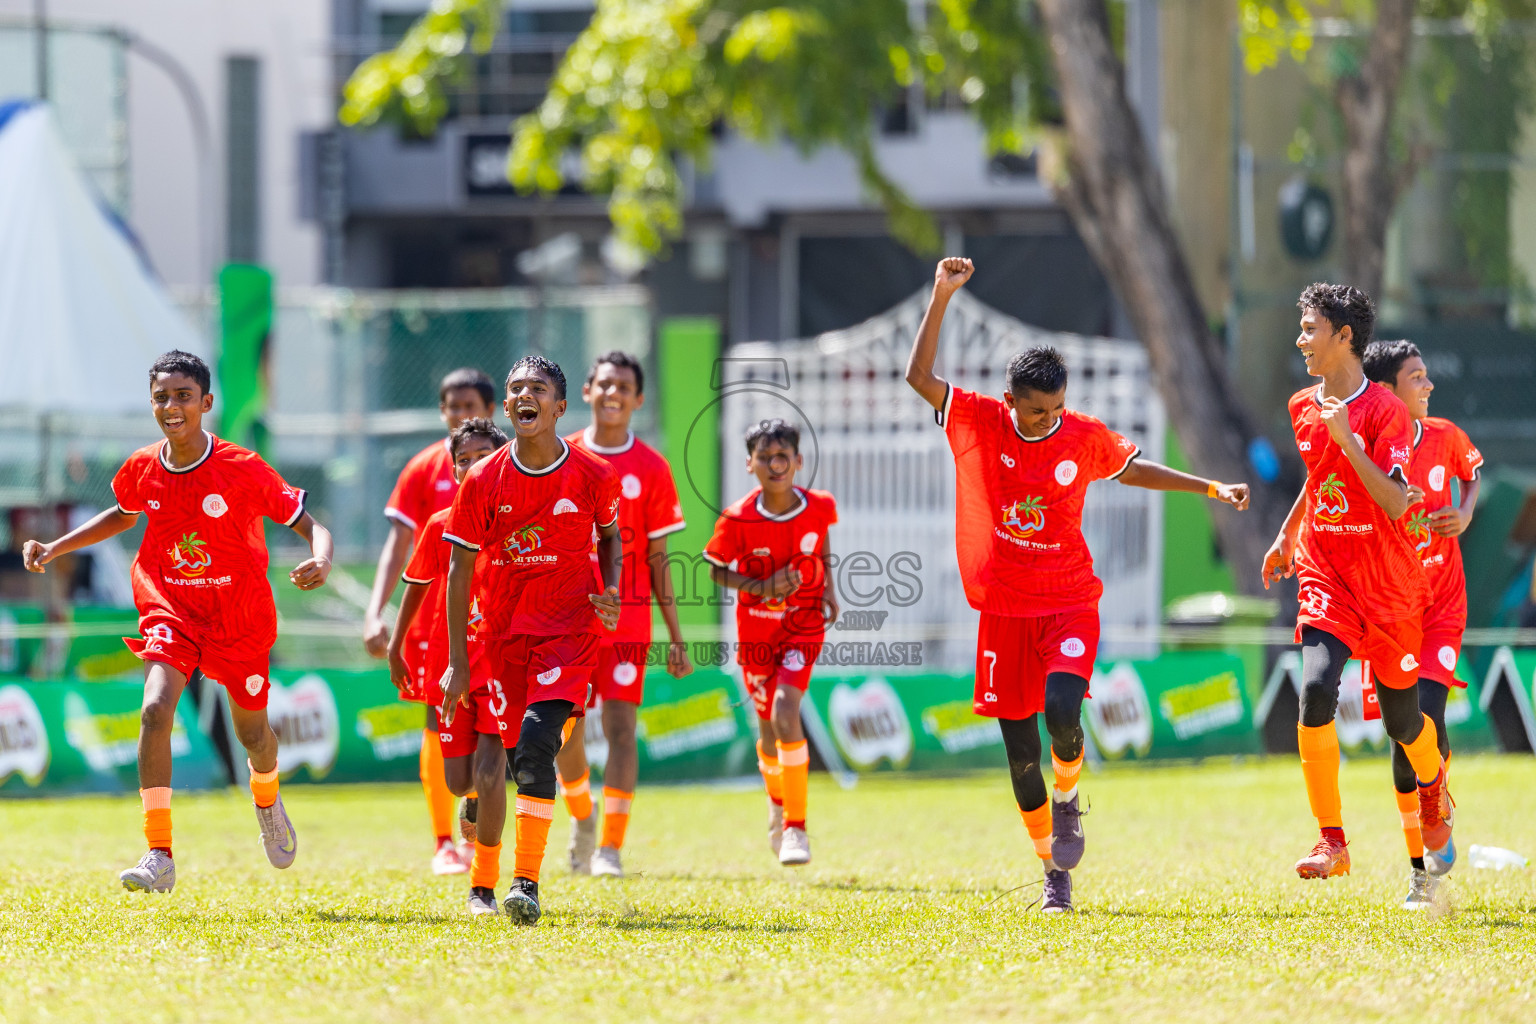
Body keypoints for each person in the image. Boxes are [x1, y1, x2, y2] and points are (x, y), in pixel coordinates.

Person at [905, 258, 1250, 913]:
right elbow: (918, 378)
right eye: (1036, 412)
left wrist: (1208, 486)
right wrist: (940, 295)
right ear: (1010, 402)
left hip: (1068, 603)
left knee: (1063, 711)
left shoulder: (1082, 437)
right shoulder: (979, 420)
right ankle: (1052, 874)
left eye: (1057, 407)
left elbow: (1134, 469)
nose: (1048, 420)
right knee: (1019, 756)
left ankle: (1069, 801)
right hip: (1005, 611)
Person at [21, 350, 334, 894]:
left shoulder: (241, 467)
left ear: (206, 403)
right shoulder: (144, 466)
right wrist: (55, 546)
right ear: (151, 404)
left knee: (254, 735)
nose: (172, 406)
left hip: (239, 616)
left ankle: (266, 797)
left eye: (183, 396)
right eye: (161, 397)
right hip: (171, 607)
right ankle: (158, 853)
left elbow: (310, 524)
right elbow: (122, 511)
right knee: (153, 710)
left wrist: (323, 558)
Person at [1263, 285, 1453, 883]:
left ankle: (1435, 785)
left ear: (1345, 336)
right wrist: (1287, 533)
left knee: (1402, 723)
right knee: (1315, 690)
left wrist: (1348, 438)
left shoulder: (1385, 412)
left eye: (1311, 328)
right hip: (1327, 576)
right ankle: (1332, 840)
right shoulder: (1300, 405)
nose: (1301, 338)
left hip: (1389, 586)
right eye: (1301, 326)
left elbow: (1397, 502)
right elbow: (1318, 480)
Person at [440, 355, 623, 926]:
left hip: (570, 629)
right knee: (498, 763)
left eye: (537, 389)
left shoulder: (594, 475)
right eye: (516, 388)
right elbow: (458, 572)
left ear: (560, 407)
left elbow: (611, 539)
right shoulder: (484, 480)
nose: (524, 395)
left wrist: (612, 589)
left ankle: (526, 883)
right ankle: (482, 882)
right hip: (503, 635)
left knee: (539, 742)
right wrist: (458, 665)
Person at [554, 352, 693, 878]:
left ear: (638, 399)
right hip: (565, 618)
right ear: (587, 391)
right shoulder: (560, 456)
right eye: (604, 383)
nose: (613, 393)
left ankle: (609, 847)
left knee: (620, 728)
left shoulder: (653, 468)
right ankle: (582, 817)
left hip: (629, 621)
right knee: (564, 730)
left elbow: (658, 560)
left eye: (624, 386)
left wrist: (677, 638)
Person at [363, 367, 496, 875]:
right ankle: (445, 842)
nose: (461, 415)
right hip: (435, 623)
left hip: (498, 624)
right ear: (442, 412)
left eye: (471, 406)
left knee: (498, 726)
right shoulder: (424, 468)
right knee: (435, 719)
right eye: (452, 407)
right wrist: (378, 613)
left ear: (490, 412)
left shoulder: (513, 468)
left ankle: (485, 817)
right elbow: (400, 544)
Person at [1363, 339, 1481, 908]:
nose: (1429, 385)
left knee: (1427, 714)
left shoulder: (1446, 436)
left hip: (1442, 608)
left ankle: (1435, 824)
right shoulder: (1367, 449)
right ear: (1387, 391)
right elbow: (1324, 493)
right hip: (1393, 610)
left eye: (1428, 375)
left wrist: (1464, 510)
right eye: (1417, 378)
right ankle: (1418, 866)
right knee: (1402, 729)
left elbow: (1472, 474)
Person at [387, 418, 513, 915]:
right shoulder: (439, 525)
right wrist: (397, 645)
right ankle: (476, 802)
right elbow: (415, 586)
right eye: (463, 458)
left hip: (501, 665)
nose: (472, 465)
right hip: (449, 665)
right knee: (459, 779)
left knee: (488, 769)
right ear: (453, 465)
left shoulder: (515, 521)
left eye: (483, 455)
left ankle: (482, 887)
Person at [703, 419, 839, 868]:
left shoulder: (819, 506)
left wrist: (830, 589)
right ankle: (778, 806)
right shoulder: (737, 516)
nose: (775, 464)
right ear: (750, 464)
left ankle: (797, 828)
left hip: (803, 626)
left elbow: (821, 547)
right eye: (765, 457)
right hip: (756, 631)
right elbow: (716, 569)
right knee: (767, 731)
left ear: (799, 461)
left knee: (785, 712)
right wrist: (762, 587)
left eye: (784, 456)